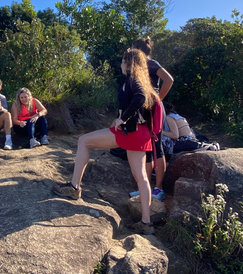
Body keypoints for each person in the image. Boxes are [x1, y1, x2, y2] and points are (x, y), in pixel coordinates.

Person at [52, 48, 159, 235]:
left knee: (84, 141)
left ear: (128, 63)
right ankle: (146, 222)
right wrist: (121, 119)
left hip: (129, 132)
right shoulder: (142, 80)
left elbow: (139, 98)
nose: (120, 64)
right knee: (141, 177)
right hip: (140, 133)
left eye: (122, 61)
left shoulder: (132, 80)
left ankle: (74, 187)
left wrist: (122, 118)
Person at [131, 37, 174, 201]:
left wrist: (158, 98)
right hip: (143, 109)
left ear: (138, 49)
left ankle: (159, 189)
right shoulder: (138, 66)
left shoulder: (151, 63)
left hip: (153, 108)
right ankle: (146, 187)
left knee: (157, 144)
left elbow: (169, 80)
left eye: (133, 49)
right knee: (146, 146)